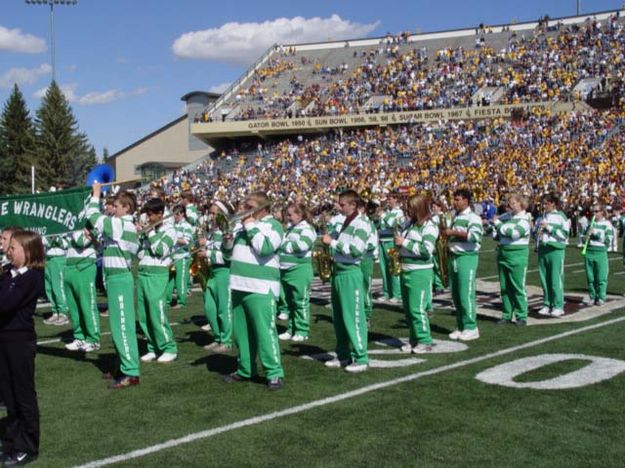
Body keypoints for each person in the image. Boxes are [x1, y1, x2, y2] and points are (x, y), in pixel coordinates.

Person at [223, 192, 285, 390]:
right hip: (239, 285)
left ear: (262, 208)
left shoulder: (273, 225)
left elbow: (265, 248)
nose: (242, 209)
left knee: (265, 332)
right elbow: (227, 254)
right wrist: (226, 241)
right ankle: (245, 369)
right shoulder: (243, 227)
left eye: (248, 206)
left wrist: (249, 224)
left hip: (261, 287)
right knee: (241, 334)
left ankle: (274, 372)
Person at [86, 184, 141, 388]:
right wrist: (96, 243)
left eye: (117, 205)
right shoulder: (122, 225)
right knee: (118, 326)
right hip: (115, 278)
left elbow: (92, 216)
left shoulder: (121, 224)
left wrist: (96, 194)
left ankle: (131, 372)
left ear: (127, 208)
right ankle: (122, 365)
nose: (113, 208)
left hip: (119, 279)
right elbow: (111, 250)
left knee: (122, 327)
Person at [0, 230, 45, 466]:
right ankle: (11, 441)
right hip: (4, 340)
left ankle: (28, 445)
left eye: (13, 247)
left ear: (28, 252)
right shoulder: (8, 273)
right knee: (9, 395)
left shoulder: (32, 277)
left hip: (20, 342)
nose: (8, 251)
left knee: (23, 395)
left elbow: (6, 303)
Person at [322, 189, 371, 372]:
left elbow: (357, 250)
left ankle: (361, 357)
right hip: (339, 271)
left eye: (342, 204)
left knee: (354, 317)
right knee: (339, 317)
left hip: (351, 272)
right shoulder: (346, 222)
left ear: (353, 204)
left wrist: (333, 243)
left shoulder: (362, 223)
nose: (339, 207)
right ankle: (343, 354)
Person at [395, 195, 438, 353]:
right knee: (408, 309)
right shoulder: (409, 224)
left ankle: (425, 340)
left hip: (420, 271)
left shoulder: (429, 226)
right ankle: (414, 339)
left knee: (417, 308)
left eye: (411, 207)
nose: (407, 210)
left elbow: (427, 250)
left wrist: (404, 242)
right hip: (406, 268)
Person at [137, 198, 179, 363]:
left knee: (156, 312)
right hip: (143, 272)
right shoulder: (151, 229)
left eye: (150, 214)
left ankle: (169, 347)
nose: (147, 218)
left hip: (158, 274)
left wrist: (149, 232)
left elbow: (161, 250)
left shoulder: (170, 231)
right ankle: (153, 347)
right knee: (144, 314)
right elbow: (140, 254)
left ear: (160, 214)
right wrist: (140, 237)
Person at [445, 188, 483, 341]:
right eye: (454, 199)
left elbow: (475, 236)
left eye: (458, 199)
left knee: (466, 293)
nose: (455, 202)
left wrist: (452, 233)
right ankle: (461, 326)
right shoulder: (455, 216)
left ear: (466, 200)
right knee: (455, 294)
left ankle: (471, 326)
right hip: (454, 256)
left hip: (466, 257)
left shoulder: (473, 217)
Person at [278, 202, 316, 342]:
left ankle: (302, 330)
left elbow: (302, 246)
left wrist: (282, 245)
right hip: (285, 270)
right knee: (289, 302)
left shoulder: (307, 228)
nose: (287, 217)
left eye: (290, 214)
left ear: (300, 215)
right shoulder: (290, 229)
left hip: (299, 269)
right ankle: (291, 328)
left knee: (300, 301)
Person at [492, 193, 532, 326]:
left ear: (521, 204)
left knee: (518, 287)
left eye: (513, 203)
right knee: (504, 288)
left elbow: (514, 233)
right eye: (509, 203)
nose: (510, 205)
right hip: (503, 253)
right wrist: (494, 227)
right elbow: (496, 235)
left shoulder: (525, 219)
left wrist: (498, 224)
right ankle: (506, 314)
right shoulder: (507, 217)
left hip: (518, 255)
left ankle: (521, 316)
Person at [201, 200, 234, 353]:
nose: (211, 216)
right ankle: (217, 337)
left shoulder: (226, 232)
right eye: (211, 213)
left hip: (224, 273)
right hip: (213, 272)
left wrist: (207, 253)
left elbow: (228, 257)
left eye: (214, 213)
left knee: (223, 309)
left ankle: (226, 341)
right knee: (209, 307)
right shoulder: (214, 231)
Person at [63, 228, 100, 352]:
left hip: (84, 266)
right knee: (73, 306)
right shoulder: (73, 225)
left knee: (87, 304)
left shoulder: (90, 224)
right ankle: (80, 337)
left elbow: (81, 241)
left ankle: (93, 339)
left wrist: (71, 228)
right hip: (69, 265)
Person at [536, 192, 570, 318]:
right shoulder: (542, 216)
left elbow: (564, 234)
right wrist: (537, 232)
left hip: (555, 249)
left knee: (556, 278)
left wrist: (549, 227)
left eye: (546, 203)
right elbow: (537, 233)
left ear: (553, 204)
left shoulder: (561, 216)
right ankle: (547, 303)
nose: (544, 206)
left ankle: (558, 306)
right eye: (543, 203)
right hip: (543, 249)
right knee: (544, 279)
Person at [581, 203, 613, 306]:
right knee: (590, 277)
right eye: (593, 211)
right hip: (589, 251)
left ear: (602, 212)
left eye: (596, 211)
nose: (594, 214)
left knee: (601, 277)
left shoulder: (607, 224)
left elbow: (609, 240)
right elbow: (582, 238)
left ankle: (601, 297)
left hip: (600, 252)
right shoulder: (589, 223)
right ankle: (592, 296)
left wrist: (596, 234)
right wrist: (586, 237)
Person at [166, 205, 193, 309]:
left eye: (177, 214)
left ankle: (181, 301)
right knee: (169, 280)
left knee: (180, 280)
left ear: (182, 213)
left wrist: (173, 238)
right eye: (174, 214)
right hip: (172, 256)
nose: (175, 216)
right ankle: (167, 301)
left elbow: (186, 242)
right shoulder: (173, 225)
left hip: (182, 256)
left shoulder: (187, 226)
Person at [378, 194, 404, 303]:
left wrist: (383, 215)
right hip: (382, 242)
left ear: (395, 199)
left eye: (390, 199)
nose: (387, 201)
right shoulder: (386, 212)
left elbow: (394, 224)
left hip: (391, 242)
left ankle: (397, 294)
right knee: (384, 270)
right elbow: (378, 226)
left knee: (394, 268)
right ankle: (386, 292)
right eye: (387, 199)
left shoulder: (399, 212)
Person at [41, 234, 69, 326]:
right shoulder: (45, 230)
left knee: (58, 287)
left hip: (59, 259)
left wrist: (53, 237)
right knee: (49, 287)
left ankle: (63, 313)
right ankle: (55, 311)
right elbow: (42, 242)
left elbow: (66, 244)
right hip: (48, 259)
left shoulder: (63, 230)